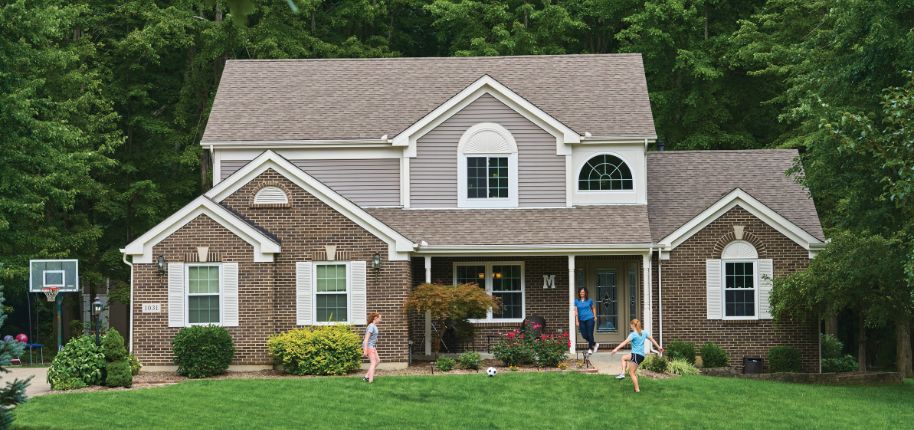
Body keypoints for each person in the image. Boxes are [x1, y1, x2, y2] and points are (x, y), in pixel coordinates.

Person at [609, 319, 663, 393]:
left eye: (631, 325)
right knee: (625, 360)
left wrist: (616, 349)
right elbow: (652, 339)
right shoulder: (644, 332)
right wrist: (659, 347)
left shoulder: (633, 334)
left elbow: (624, 342)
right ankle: (626, 378)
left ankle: (636, 389)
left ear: (633, 325)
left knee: (631, 373)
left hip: (636, 355)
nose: (630, 326)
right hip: (641, 356)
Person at [574, 288, 598, 355]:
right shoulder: (576, 301)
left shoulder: (589, 300)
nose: (582, 293)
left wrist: (595, 316)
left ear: (585, 293)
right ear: (579, 293)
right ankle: (595, 344)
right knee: (584, 335)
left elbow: (593, 308)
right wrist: (576, 321)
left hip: (590, 318)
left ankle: (590, 348)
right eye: (581, 292)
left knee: (590, 334)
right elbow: (576, 312)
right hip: (581, 320)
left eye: (583, 292)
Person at [362, 312, 381, 383]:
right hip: (369, 347)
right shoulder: (371, 326)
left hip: (372, 346)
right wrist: (365, 350)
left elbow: (373, 336)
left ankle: (366, 376)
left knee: (378, 361)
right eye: (380, 318)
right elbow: (366, 339)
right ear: (375, 318)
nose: (380, 320)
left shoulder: (374, 326)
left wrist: (375, 339)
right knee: (373, 363)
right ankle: (370, 381)